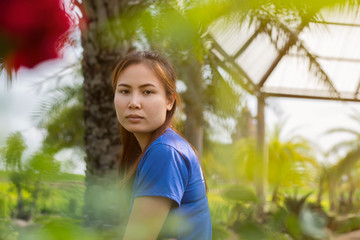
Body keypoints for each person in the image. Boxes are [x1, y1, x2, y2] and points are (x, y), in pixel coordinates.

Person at [112, 51, 212, 240]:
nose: (133, 103)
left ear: (169, 101)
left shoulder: (165, 152)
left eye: (147, 92)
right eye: (124, 91)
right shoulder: (168, 146)